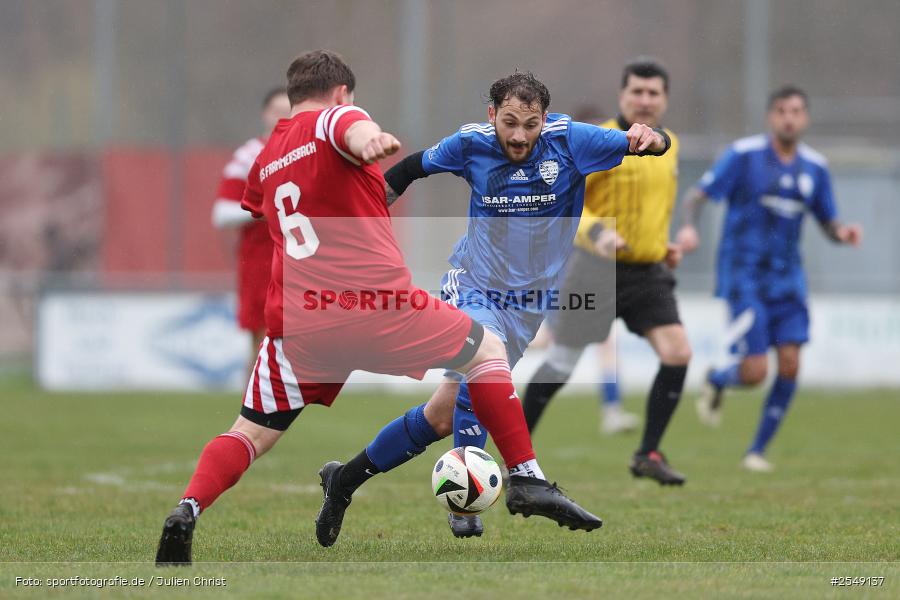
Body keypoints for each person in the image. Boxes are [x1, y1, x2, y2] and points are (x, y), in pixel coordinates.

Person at [155, 51, 602, 566]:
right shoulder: (338, 118)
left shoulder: (266, 156)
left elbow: (262, 205)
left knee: (248, 432)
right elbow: (352, 130)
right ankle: (525, 477)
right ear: (342, 92)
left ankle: (189, 507)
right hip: (374, 306)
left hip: (300, 322)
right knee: (487, 353)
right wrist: (369, 142)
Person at [317, 70, 670, 542]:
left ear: (544, 119)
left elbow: (655, 145)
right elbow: (409, 169)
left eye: (530, 124)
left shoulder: (572, 141)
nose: (519, 135)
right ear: (491, 116)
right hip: (474, 286)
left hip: (527, 307)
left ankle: (343, 481)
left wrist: (653, 137)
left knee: (442, 415)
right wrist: (357, 223)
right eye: (509, 123)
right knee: (487, 359)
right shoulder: (471, 143)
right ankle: (523, 477)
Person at [675, 85, 863, 472]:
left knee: (791, 364)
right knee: (756, 371)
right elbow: (697, 195)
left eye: (796, 111)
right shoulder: (744, 156)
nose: (789, 118)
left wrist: (842, 234)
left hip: (788, 279)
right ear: (770, 117)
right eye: (781, 110)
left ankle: (756, 451)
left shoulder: (815, 167)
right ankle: (721, 377)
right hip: (744, 276)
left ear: (805, 117)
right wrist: (690, 228)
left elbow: (827, 221)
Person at [521, 58, 690, 487]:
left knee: (678, 353)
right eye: (638, 91)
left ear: (664, 99)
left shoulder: (671, 145)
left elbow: (659, 206)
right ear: (623, 96)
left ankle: (648, 453)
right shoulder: (597, 142)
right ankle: (515, 454)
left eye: (654, 93)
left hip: (647, 272)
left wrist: (661, 244)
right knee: (560, 363)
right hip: (596, 268)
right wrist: (597, 231)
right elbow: (569, 203)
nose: (645, 100)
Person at [211, 87, 291, 352]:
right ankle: (255, 395)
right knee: (262, 343)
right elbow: (222, 213)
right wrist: (263, 209)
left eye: (287, 111)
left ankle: (288, 394)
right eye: (276, 111)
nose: (281, 117)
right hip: (261, 263)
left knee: (300, 346)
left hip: (302, 261)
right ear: (264, 114)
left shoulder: (307, 152)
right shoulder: (249, 155)